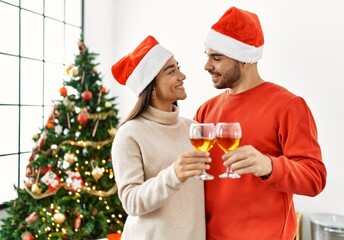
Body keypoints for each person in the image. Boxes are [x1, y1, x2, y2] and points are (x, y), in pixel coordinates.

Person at [194, 7, 327, 240]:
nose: (207, 65)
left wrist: (269, 165)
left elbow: (315, 178)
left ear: (245, 59)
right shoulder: (206, 110)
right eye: (207, 56)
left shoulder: (288, 106)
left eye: (217, 58)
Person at [111, 35, 209, 239]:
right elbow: (131, 202)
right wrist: (174, 174)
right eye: (171, 71)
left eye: (178, 68)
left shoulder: (193, 128)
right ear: (152, 87)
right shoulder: (130, 133)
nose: (182, 76)